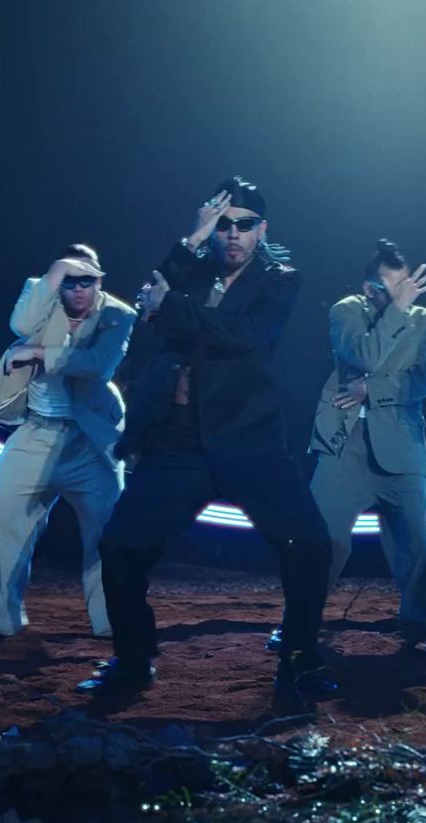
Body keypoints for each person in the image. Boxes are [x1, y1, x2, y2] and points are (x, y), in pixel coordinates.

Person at [87, 176, 337, 706]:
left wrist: (171, 307)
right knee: (119, 547)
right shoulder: (195, 267)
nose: (233, 234)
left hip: (250, 439)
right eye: (223, 224)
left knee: (310, 545)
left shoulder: (280, 278)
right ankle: (132, 662)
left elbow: (244, 334)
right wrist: (189, 239)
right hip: (179, 442)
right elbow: (148, 302)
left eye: (245, 225)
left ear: (262, 230)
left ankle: (299, 658)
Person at [0, 244, 137, 654]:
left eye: (87, 281)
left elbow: (96, 365)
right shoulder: (42, 299)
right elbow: (19, 322)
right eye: (69, 281)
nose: (78, 290)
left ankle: (112, 622)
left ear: (100, 280)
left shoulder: (117, 314)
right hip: (35, 435)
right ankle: (0, 621)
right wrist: (55, 271)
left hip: (89, 441)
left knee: (107, 531)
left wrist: (38, 352)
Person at [294, 237, 426, 653]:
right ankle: (300, 620)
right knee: (324, 540)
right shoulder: (346, 311)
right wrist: (399, 310)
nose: (405, 296)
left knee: (418, 540)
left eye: (407, 288)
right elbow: (364, 354)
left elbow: (425, 380)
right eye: (394, 289)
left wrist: (373, 390)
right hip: (343, 444)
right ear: (370, 288)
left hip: (400, 443)